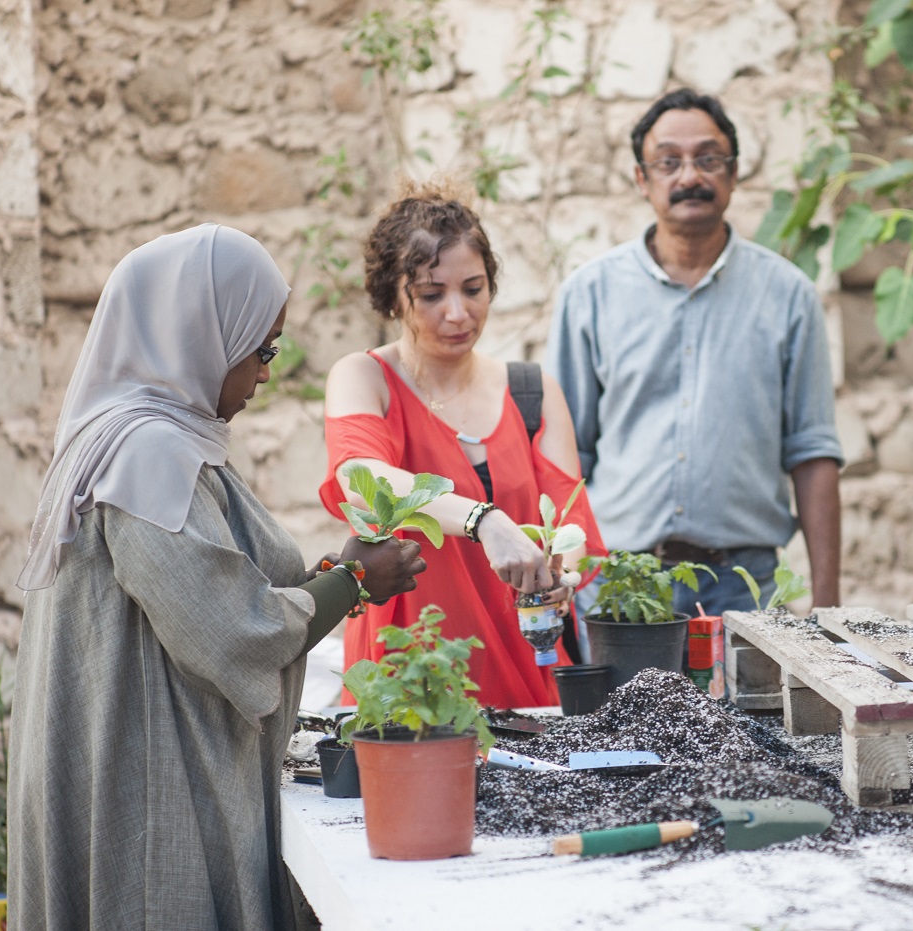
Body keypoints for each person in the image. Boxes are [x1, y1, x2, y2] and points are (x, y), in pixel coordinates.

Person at [8, 224, 426, 930]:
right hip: (142, 782)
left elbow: (214, 579)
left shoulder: (133, 436)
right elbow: (228, 627)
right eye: (259, 350)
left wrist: (333, 570)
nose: (265, 371)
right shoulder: (145, 451)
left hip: (122, 761)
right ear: (199, 333)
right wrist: (352, 583)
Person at [546, 88, 844, 617]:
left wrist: (827, 602)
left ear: (733, 174)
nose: (689, 177)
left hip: (745, 584)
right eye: (669, 162)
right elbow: (570, 456)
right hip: (621, 582)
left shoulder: (788, 295)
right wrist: (565, 573)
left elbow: (812, 451)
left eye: (708, 159)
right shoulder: (589, 294)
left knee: (749, 706)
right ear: (642, 179)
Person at [321, 177, 603, 710]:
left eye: (473, 289)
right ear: (392, 297)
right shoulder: (365, 378)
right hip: (410, 664)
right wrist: (485, 521)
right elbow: (361, 479)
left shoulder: (532, 389)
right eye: (431, 295)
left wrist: (561, 569)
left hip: (526, 657)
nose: (457, 313)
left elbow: (571, 521)